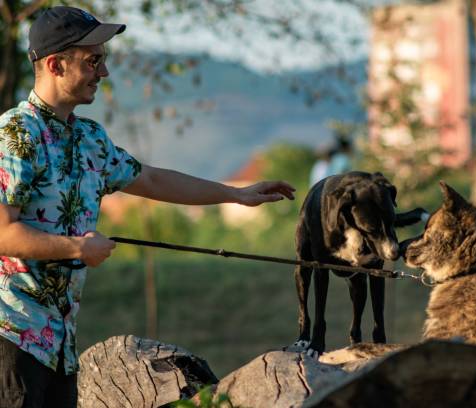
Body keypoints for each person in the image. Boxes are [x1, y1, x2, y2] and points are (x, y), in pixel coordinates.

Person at [0, 6, 295, 408]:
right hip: (12, 340)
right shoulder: (15, 134)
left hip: (60, 346)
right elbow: (3, 232)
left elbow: (152, 179)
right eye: (93, 61)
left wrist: (236, 194)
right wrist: (77, 248)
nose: (104, 73)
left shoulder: (90, 138)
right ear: (55, 64)